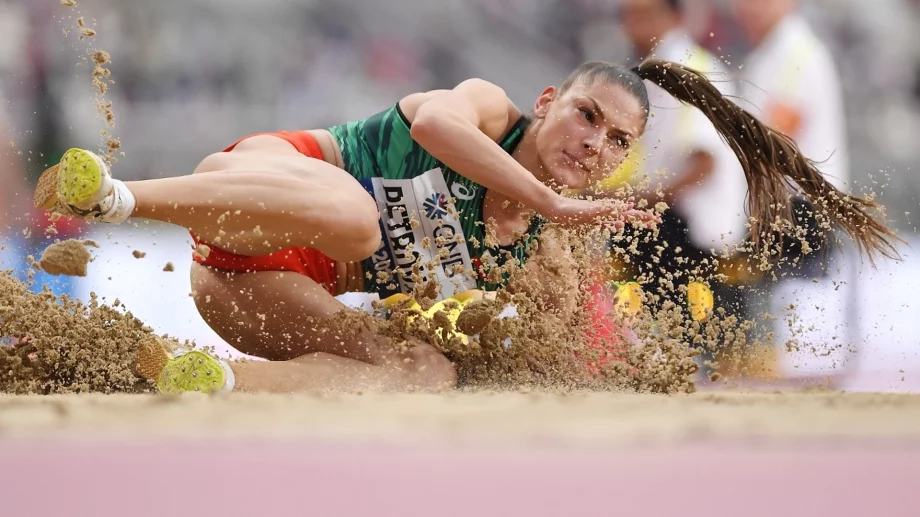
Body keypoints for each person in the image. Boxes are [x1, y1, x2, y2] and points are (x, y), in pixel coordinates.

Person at [35, 59, 898, 395]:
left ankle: (201, 379)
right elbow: (429, 128)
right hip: (262, 187)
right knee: (357, 217)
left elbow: (582, 348)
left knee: (423, 371)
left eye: (617, 143)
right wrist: (551, 200)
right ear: (551, 102)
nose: (592, 144)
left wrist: (660, 376)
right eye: (588, 117)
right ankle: (112, 196)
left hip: (251, 293)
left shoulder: (548, 252)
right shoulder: (489, 112)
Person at [589, 0, 748, 325]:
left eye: (646, 15)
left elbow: (705, 162)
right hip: (678, 217)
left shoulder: (685, 68)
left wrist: (634, 200)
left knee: (618, 231)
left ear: (676, 16)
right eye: (630, 16)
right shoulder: (656, 69)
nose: (636, 25)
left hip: (695, 226)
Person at [731, 0, 855, 381]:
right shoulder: (768, 54)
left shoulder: (795, 51)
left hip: (803, 206)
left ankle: (749, 349)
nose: (749, 9)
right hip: (776, 201)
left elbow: (777, 133)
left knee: (705, 239)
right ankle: (738, 348)